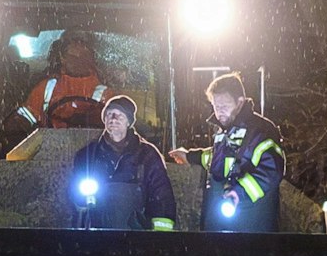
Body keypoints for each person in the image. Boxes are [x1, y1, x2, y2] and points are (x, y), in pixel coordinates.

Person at [167, 72, 284, 233]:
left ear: (240, 102)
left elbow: (272, 170)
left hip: (251, 223)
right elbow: (218, 159)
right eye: (215, 106)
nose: (219, 112)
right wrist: (189, 156)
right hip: (223, 221)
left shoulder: (261, 130)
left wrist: (239, 193)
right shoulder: (225, 130)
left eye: (224, 106)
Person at [67, 95, 177, 231]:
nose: (113, 119)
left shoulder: (147, 154)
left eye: (120, 115)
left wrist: (159, 236)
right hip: (97, 234)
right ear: (104, 120)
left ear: (128, 122)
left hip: (136, 234)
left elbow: (161, 194)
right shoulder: (87, 155)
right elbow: (75, 195)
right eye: (109, 114)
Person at [11, 32, 110, 134]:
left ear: (91, 58)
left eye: (83, 56)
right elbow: (23, 120)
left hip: (94, 148)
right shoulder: (47, 88)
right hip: (49, 148)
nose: (78, 61)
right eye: (72, 57)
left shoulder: (107, 95)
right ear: (62, 58)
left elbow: (118, 129)